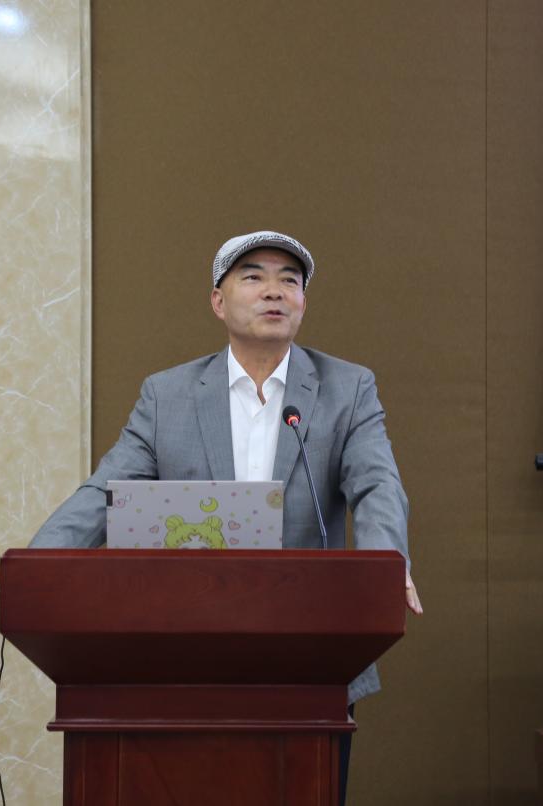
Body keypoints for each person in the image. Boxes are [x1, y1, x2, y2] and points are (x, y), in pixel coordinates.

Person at [29, 230, 422, 804]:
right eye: (254, 277)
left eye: (290, 280)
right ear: (218, 300)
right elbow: (106, 493)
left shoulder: (347, 388)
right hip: (185, 650)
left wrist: (388, 563)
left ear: (303, 301)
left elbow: (378, 484)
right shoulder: (167, 395)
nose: (274, 291)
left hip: (309, 654)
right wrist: (36, 564)